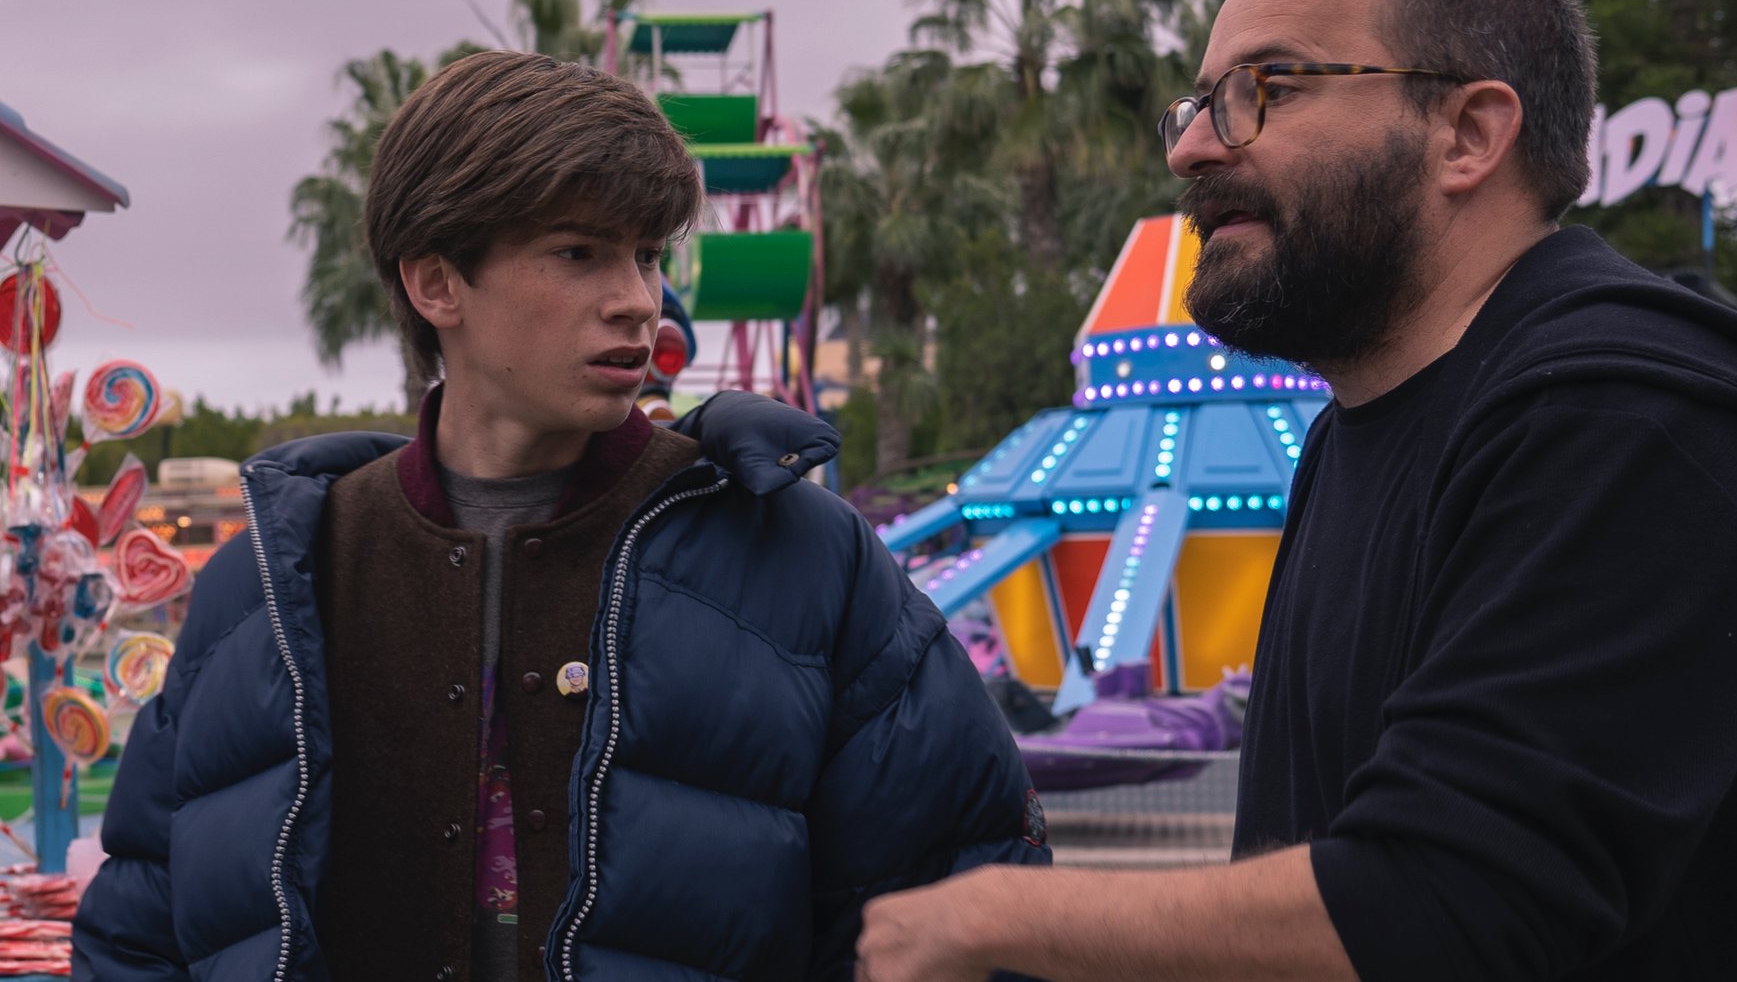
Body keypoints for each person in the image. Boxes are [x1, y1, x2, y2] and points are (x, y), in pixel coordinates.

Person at [855, 0, 1737, 982]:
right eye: (1198, 102)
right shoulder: (1357, 431)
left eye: (1261, 90)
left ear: (1466, 133)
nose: (1188, 147)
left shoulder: (1622, 421)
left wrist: (991, 920)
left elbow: (1450, 903)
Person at [73, 50, 1048, 981]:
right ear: (435, 282)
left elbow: (963, 906)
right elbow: (146, 927)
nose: (637, 302)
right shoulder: (273, 585)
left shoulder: (803, 557)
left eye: (647, 255)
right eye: (578, 253)